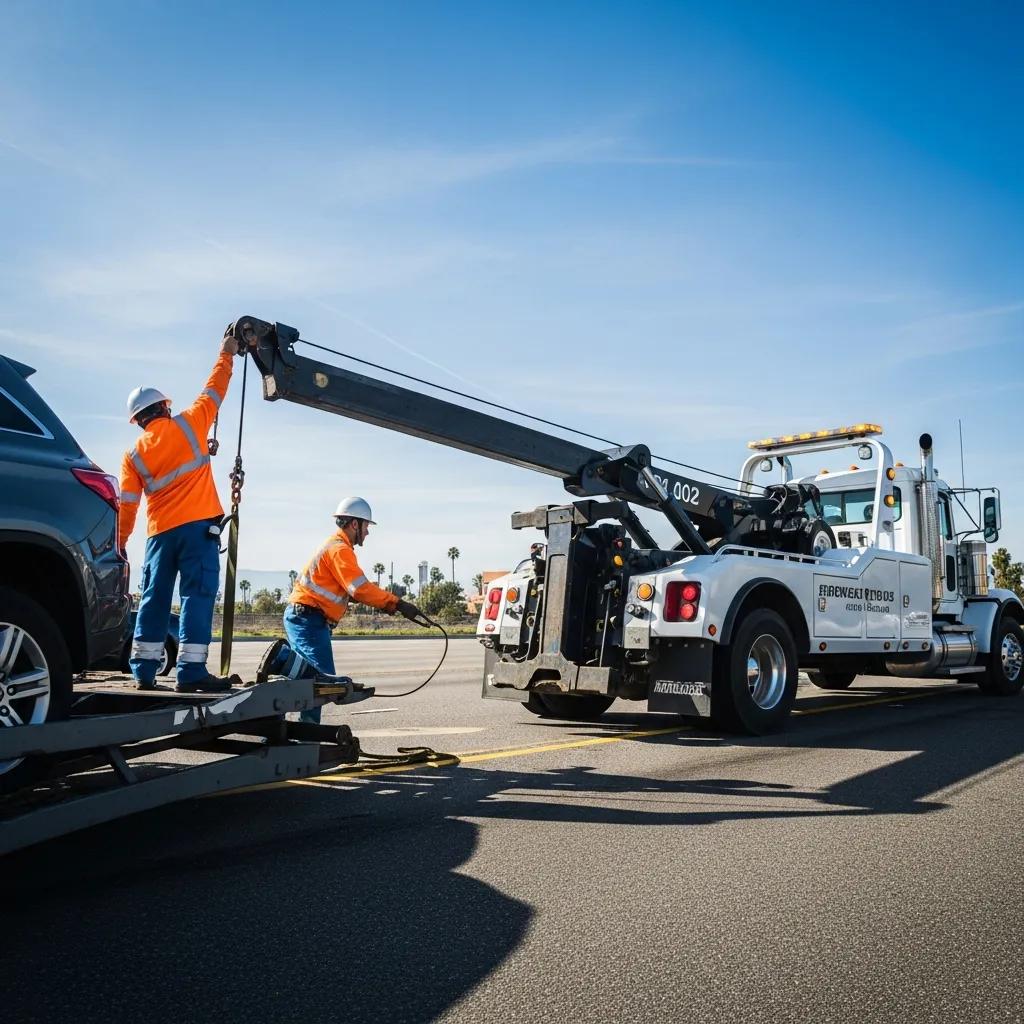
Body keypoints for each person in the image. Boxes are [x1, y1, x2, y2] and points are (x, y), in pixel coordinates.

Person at [119, 330, 242, 693]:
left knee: (155, 597)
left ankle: (143, 670)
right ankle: (190, 672)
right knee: (196, 595)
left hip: (158, 535)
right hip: (198, 530)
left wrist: (122, 542)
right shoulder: (191, 422)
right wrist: (227, 353)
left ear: (139, 420)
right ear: (165, 407)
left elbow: (127, 505)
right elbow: (215, 388)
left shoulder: (133, 455)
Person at [259, 497, 420, 723]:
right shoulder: (340, 549)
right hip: (309, 619)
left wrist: (381, 602)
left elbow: (344, 590)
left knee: (305, 679)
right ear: (355, 524)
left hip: (304, 616)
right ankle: (306, 732)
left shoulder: (334, 546)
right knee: (320, 683)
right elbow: (359, 589)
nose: (367, 533)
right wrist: (396, 603)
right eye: (366, 526)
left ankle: (282, 722)